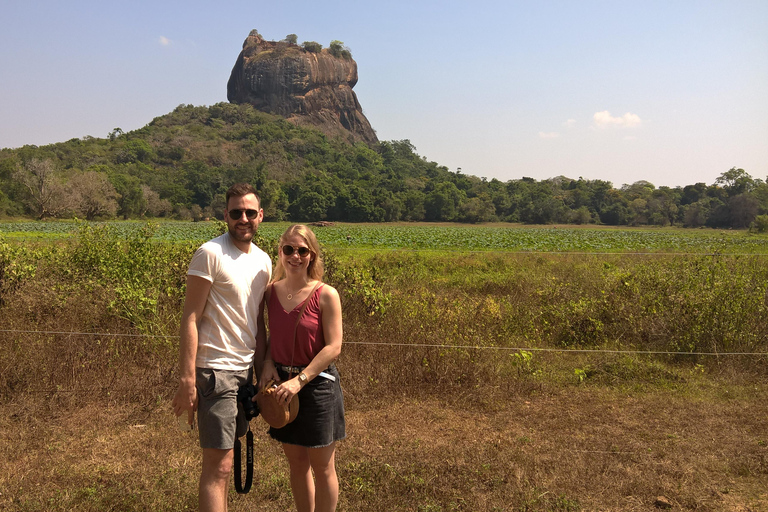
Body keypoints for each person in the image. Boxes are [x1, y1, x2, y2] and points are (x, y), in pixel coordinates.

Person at [171, 183, 271, 512]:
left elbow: (256, 322)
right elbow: (190, 317)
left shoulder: (263, 262)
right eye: (236, 213)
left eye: (250, 212)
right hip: (214, 370)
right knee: (220, 466)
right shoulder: (210, 253)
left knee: (226, 463)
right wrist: (187, 379)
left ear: (261, 216)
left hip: (244, 372)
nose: (243, 218)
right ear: (225, 215)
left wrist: (260, 375)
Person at [260, 224, 345, 512]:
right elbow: (275, 334)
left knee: (323, 467)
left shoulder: (326, 294)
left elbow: (333, 346)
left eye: (302, 250)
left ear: (312, 255)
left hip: (317, 385)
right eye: (289, 249)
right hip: (282, 386)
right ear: (280, 252)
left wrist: (300, 380)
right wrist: (269, 363)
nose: (295, 256)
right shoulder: (270, 293)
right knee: (297, 465)